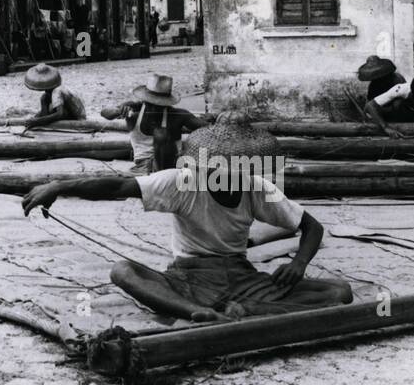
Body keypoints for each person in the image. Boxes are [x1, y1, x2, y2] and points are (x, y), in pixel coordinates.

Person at [22, 112, 353, 324]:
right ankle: (199, 313)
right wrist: (60, 185)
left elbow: (312, 226)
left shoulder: (255, 187)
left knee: (339, 292)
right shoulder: (181, 183)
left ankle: (247, 313)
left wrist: (299, 264)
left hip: (242, 278)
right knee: (122, 271)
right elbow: (118, 185)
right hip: (187, 278)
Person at [101, 74, 206, 173]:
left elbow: (207, 128)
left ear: (166, 102)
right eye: (152, 102)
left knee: (161, 134)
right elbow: (105, 113)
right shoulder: (133, 109)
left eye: (160, 104)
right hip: (142, 166)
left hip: (171, 166)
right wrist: (118, 111)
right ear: (145, 99)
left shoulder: (177, 115)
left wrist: (215, 118)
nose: (155, 107)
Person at [22, 63, 86, 128]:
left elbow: (60, 114)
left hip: (77, 117)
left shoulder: (57, 91)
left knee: (46, 103)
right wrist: (34, 119)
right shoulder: (50, 94)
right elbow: (44, 113)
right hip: (70, 113)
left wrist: (37, 121)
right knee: (44, 99)